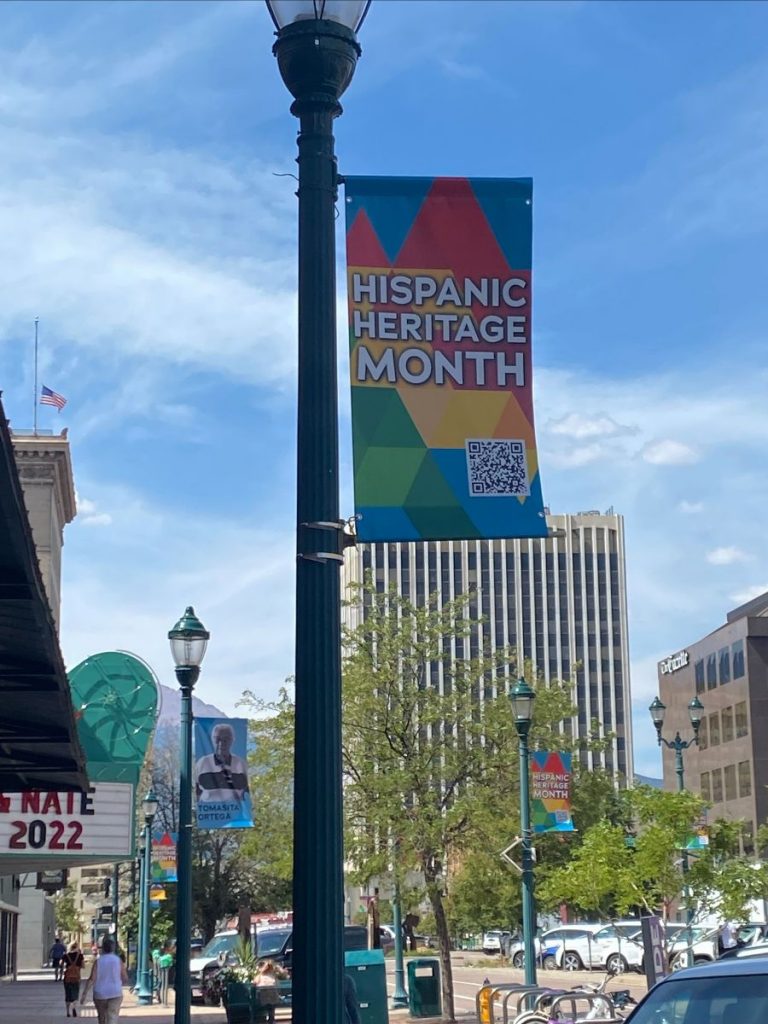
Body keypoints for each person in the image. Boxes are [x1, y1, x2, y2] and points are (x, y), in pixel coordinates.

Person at [195, 722, 250, 802]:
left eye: (226, 739)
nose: (221, 743)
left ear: (232, 740)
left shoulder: (240, 764)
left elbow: (247, 792)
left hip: (235, 812)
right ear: (212, 740)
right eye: (218, 739)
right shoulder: (203, 763)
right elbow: (197, 792)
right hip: (209, 812)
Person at [81, 936, 129, 1024]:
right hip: (115, 992)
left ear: (102, 948)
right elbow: (125, 977)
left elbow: (92, 978)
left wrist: (84, 993)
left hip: (100, 994)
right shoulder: (118, 960)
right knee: (112, 1017)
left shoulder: (98, 961)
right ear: (113, 948)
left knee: (101, 1017)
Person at [254, 959, 288, 1023]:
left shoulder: (273, 975)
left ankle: (271, 1018)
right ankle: (270, 1018)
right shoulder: (261, 975)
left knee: (271, 1006)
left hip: (271, 996)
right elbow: (255, 983)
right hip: (265, 997)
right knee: (269, 1006)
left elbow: (283, 975)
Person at [62, 941, 85, 1017]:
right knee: (75, 994)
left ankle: (68, 1012)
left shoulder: (66, 955)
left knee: (67, 994)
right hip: (76, 977)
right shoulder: (80, 956)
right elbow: (83, 966)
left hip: (67, 978)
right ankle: (74, 1007)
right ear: (77, 946)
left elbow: (61, 965)